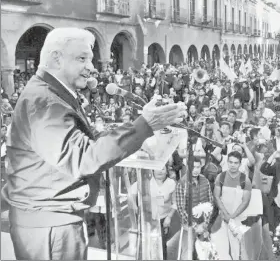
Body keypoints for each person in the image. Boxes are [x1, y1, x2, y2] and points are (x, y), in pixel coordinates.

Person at [2, 28, 186, 261]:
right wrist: (143, 127)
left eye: (90, 58)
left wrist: (138, 136)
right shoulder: (45, 102)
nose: (92, 67)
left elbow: (81, 145)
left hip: (53, 221)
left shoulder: (51, 95)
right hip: (49, 227)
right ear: (56, 58)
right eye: (82, 58)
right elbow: (83, 158)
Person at [211, 151, 252, 260]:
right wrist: (225, 214)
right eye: (230, 162)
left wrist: (232, 216)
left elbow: (245, 201)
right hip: (222, 219)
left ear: (240, 164)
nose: (233, 165)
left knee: (238, 250)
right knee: (221, 249)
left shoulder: (245, 180)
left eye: (236, 163)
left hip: (238, 220)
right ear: (227, 162)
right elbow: (216, 196)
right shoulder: (221, 177)